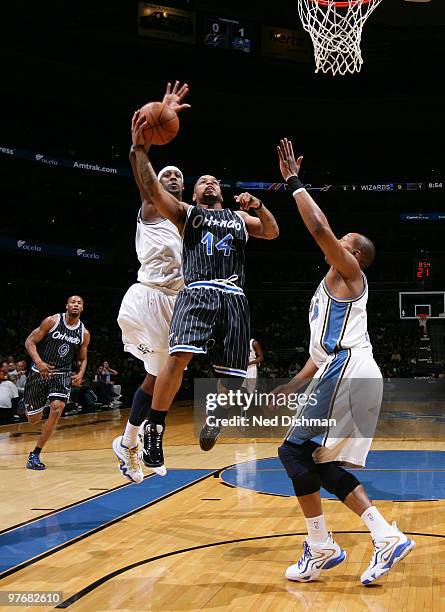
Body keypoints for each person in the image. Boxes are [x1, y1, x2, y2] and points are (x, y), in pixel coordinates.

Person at [273, 138, 414, 586]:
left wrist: (294, 182)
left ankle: (321, 546)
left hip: (349, 372)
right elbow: (319, 356)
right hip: (345, 371)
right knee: (314, 460)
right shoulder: (328, 290)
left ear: (354, 256)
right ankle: (383, 534)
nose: (336, 241)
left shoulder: (352, 275)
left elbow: (318, 229)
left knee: (293, 451)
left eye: (344, 241)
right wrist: (293, 386)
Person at [130, 100, 279, 475]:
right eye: (202, 182)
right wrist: (140, 148)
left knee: (233, 376)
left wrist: (259, 206)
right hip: (197, 291)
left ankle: (216, 412)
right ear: (193, 196)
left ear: (222, 192)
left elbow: (274, 231)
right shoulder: (186, 214)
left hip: (235, 297)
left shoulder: (239, 218)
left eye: (214, 181)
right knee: (177, 358)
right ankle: (155, 428)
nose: (209, 183)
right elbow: (151, 189)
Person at [112, 81, 190, 483]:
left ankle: (127, 442)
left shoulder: (189, 215)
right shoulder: (152, 204)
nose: (172, 179)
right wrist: (141, 142)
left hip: (177, 303)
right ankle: (134, 442)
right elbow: (145, 179)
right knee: (163, 374)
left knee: (160, 375)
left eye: (179, 176)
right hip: (147, 297)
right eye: (167, 175)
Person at [23, 295, 90, 470]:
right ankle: (33, 402)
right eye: (73, 302)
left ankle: (35, 454)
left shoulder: (84, 333)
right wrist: (38, 362)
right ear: (67, 305)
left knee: (57, 407)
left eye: (79, 303)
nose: (76, 305)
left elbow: (83, 358)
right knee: (33, 419)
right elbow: (30, 342)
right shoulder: (51, 321)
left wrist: (81, 373)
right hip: (40, 372)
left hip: (62, 373)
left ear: (82, 308)